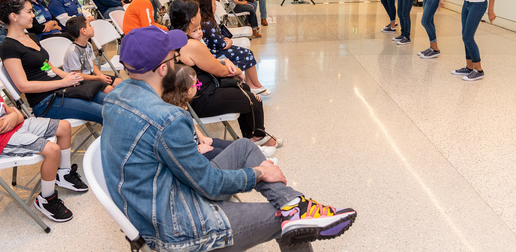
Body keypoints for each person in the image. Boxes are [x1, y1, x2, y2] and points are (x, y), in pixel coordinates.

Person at [101, 26, 357, 252]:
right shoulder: (166, 117)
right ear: (163, 68)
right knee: (287, 222)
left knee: (244, 146)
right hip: (177, 226)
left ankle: (294, 204)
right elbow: (210, 184)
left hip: (156, 202)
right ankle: (295, 212)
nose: (178, 59)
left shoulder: (115, 96)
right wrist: (257, 173)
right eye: (174, 56)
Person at [0, 38, 89, 222]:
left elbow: (9, 111)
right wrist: (15, 116)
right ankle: (47, 198)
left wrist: (15, 116)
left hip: (14, 127)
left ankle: (64, 173)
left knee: (64, 126)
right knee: (52, 150)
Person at [170, 0, 278, 145]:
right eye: (198, 12)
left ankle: (251, 138)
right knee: (254, 100)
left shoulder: (176, 38)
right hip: (202, 98)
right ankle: (258, 138)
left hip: (194, 95)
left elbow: (210, 63)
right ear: (193, 19)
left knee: (245, 88)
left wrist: (224, 61)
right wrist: (238, 71)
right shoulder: (192, 45)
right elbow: (219, 71)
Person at [0, 0, 106, 124]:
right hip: (46, 101)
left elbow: (48, 66)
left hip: (62, 90)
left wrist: (68, 77)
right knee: (105, 113)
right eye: (29, 12)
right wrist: (62, 82)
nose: (33, 15)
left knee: (110, 102)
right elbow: (23, 86)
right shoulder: (8, 47)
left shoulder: (31, 37)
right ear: (14, 16)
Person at [194, 0, 270, 95]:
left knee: (248, 53)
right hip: (216, 53)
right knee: (247, 54)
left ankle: (253, 85)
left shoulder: (206, 21)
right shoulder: (207, 24)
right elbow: (222, 45)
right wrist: (230, 42)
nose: (216, 6)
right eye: (213, 4)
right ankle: (254, 85)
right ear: (207, 6)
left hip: (216, 50)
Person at [161, 63, 236, 161]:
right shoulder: (174, 117)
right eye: (197, 84)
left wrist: (201, 136)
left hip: (195, 144)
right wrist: (198, 149)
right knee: (223, 154)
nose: (198, 86)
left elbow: (191, 123)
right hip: (190, 155)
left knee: (232, 145)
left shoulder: (181, 104)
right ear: (189, 90)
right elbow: (177, 150)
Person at [63, 16, 122, 93]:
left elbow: (93, 65)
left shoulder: (88, 45)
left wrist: (101, 76)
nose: (92, 27)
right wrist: (98, 78)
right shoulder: (73, 51)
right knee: (109, 89)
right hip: (80, 82)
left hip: (91, 77)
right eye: (90, 25)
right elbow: (78, 75)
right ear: (83, 31)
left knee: (120, 82)